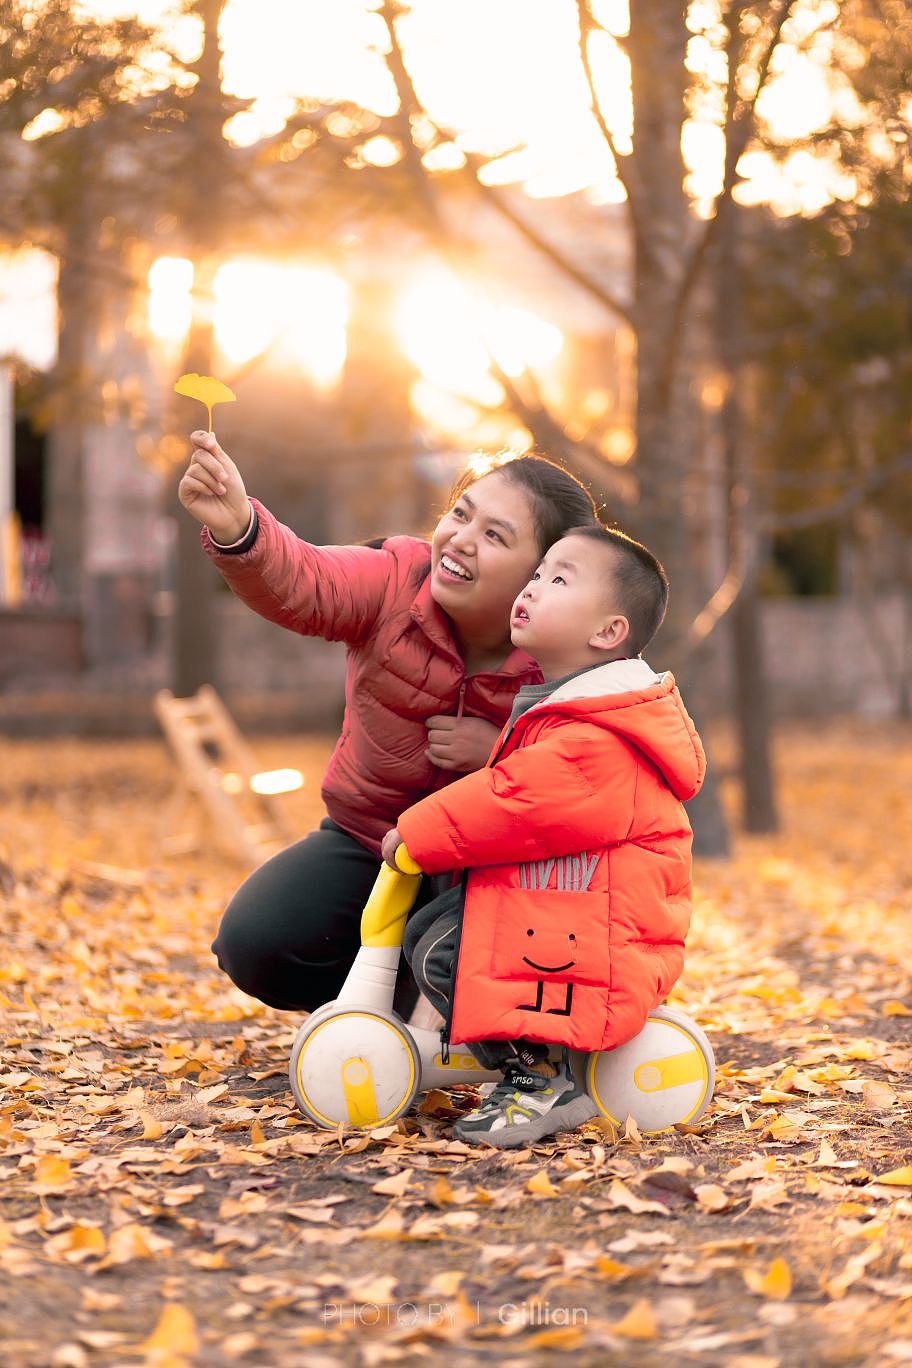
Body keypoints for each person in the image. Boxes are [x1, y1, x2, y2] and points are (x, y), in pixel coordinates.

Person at [177, 431, 598, 1014]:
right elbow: (306, 580)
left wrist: (500, 755)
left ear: (542, 576)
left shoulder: (569, 654)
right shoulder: (396, 580)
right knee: (255, 942)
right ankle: (391, 1004)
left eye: (495, 536)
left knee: (507, 955)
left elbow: (593, 773)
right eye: (461, 514)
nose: (461, 540)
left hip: (495, 868)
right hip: (370, 838)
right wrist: (238, 527)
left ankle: (486, 1013)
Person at [381, 523, 706, 1148]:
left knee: (441, 948)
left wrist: (416, 832)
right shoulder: (569, 705)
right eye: (537, 574)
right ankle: (526, 1059)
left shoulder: (597, 732)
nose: (533, 587)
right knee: (437, 932)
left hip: (593, 925)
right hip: (571, 905)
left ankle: (539, 1077)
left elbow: (516, 800)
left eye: (558, 580)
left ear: (608, 632)